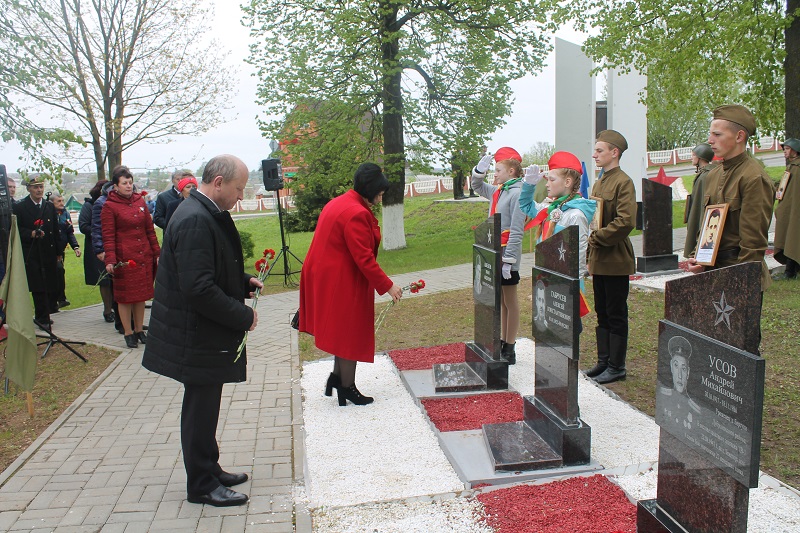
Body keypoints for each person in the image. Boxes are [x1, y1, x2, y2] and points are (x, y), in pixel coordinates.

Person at [142, 154, 261, 507]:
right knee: (200, 408)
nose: (241, 196)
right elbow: (198, 288)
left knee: (206, 405)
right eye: (239, 188)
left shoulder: (203, 212)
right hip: (195, 333)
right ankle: (202, 484)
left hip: (199, 331)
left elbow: (205, 268)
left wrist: (241, 283)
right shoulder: (195, 218)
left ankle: (210, 467)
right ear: (219, 182)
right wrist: (242, 316)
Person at [299, 163, 403, 405]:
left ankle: (337, 378)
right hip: (341, 279)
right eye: (380, 191)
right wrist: (388, 285)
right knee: (350, 331)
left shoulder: (340, 202)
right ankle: (347, 387)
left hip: (328, 275)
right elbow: (363, 257)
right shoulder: (357, 213)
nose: (381, 195)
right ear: (371, 189)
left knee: (341, 330)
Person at [687, 105, 774, 298]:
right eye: (710, 134)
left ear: (739, 136)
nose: (710, 141)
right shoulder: (714, 174)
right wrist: (699, 256)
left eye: (717, 135)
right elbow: (708, 224)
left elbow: (754, 243)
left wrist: (741, 283)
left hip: (738, 273)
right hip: (713, 271)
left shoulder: (753, 177)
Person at [587, 130, 637, 384]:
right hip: (599, 257)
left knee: (615, 311)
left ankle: (617, 366)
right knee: (602, 311)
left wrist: (597, 238)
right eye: (595, 150)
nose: (595, 155)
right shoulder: (601, 181)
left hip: (615, 257)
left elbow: (626, 221)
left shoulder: (623, 182)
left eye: (600, 150)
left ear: (614, 152)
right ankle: (604, 361)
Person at [471, 147, 526, 364]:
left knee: (510, 300)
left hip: (506, 254)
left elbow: (517, 229)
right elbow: (476, 186)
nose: (495, 174)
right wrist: (479, 171)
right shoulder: (499, 190)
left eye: (498, 170)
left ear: (512, 171)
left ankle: (510, 346)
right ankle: (503, 339)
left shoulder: (518, 192)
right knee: (501, 301)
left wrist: (509, 260)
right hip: (494, 252)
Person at [101, 165, 160, 349]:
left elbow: (149, 230)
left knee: (141, 296)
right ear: (115, 186)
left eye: (130, 182)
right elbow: (108, 235)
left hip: (143, 256)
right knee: (126, 297)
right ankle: (128, 332)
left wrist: (157, 252)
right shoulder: (109, 206)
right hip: (124, 259)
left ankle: (139, 329)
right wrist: (110, 259)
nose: (128, 186)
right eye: (124, 183)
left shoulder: (140, 201)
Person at [518, 151, 596, 279]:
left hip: (564, 283)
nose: (547, 184)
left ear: (567, 182)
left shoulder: (575, 215)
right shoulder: (549, 208)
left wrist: (574, 286)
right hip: (547, 276)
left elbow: (579, 254)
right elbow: (526, 206)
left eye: (552, 179)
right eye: (547, 179)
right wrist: (529, 186)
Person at [13, 174, 60, 327]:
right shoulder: (20, 207)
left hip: (48, 251)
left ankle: (46, 313)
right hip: (32, 252)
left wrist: (58, 252)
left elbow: (55, 229)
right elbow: (16, 229)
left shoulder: (48, 206)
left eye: (41, 187)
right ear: (28, 189)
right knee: (37, 285)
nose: (39, 190)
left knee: (49, 283)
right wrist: (30, 233)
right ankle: (42, 317)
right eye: (35, 187)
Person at [79, 180, 115, 322]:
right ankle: (107, 310)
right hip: (97, 246)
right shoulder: (90, 205)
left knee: (114, 279)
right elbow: (83, 225)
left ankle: (116, 306)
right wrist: (101, 232)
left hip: (112, 245)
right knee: (104, 280)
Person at [657, 336, 700, 432]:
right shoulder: (663, 396)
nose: (680, 375)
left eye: (683, 369)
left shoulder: (694, 409)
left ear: (688, 372)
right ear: (671, 367)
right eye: (676, 366)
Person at [773, 138, 800, 279]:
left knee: (794, 237)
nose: (785, 151)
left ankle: (791, 272)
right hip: (789, 210)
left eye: (788, 148)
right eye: (784, 149)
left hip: (795, 211)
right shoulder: (791, 167)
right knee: (790, 236)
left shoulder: (797, 168)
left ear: (795, 150)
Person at [683, 143, 715, 257]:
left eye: (693, 155)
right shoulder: (703, 174)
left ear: (700, 157)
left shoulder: (705, 176)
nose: (692, 157)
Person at [51, 193, 81, 309]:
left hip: (61, 249)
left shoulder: (65, 214)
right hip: (51, 250)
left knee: (60, 272)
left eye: (62, 200)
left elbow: (69, 232)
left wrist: (75, 247)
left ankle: (61, 298)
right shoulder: (48, 214)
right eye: (58, 201)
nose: (62, 203)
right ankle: (53, 302)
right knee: (55, 272)